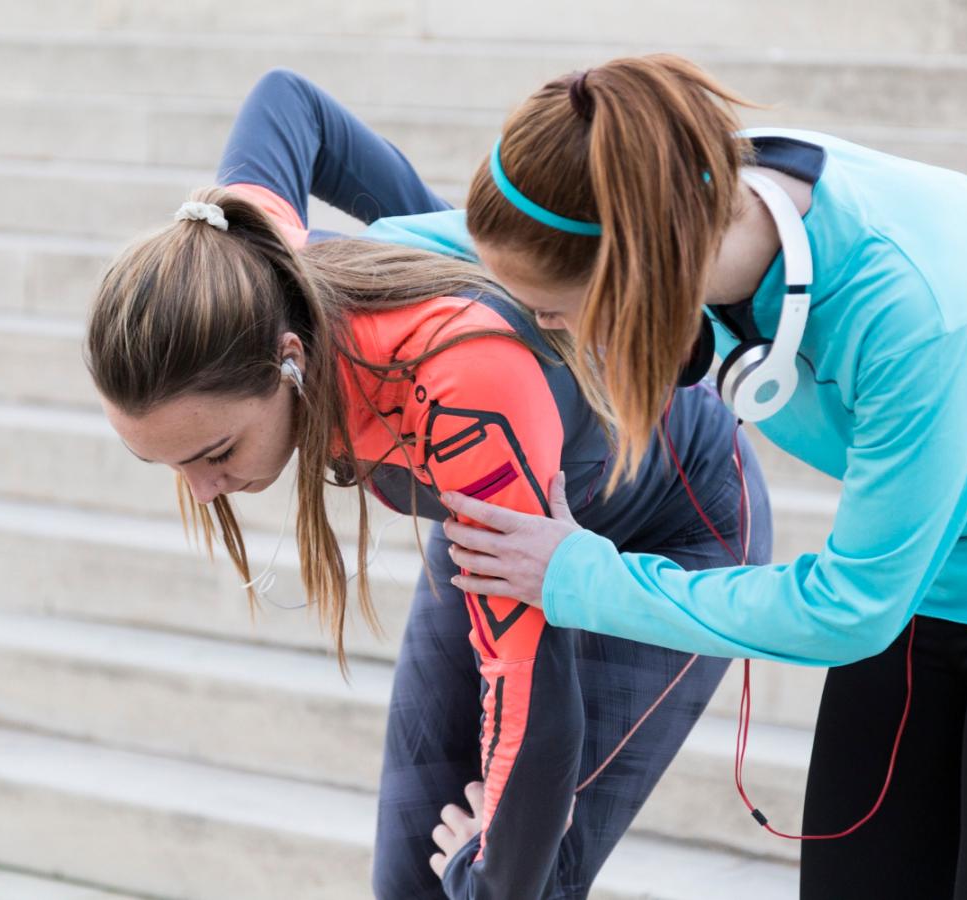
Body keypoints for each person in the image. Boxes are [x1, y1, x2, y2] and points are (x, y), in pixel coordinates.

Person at [84, 69, 773, 900]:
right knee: (411, 879)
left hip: (672, 529)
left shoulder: (463, 387)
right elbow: (286, 101)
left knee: (520, 880)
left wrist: (492, 877)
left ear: (288, 359)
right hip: (500, 520)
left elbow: (532, 688)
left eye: (214, 451)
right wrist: (455, 259)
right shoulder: (257, 264)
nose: (203, 490)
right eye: (168, 465)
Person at [420, 54, 967, 899]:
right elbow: (436, 240)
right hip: (922, 589)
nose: (542, 326)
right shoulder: (673, 190)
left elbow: (849, 609)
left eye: (552, 310)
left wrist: (580, 577)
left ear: (638, 270)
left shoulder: (927, 313)